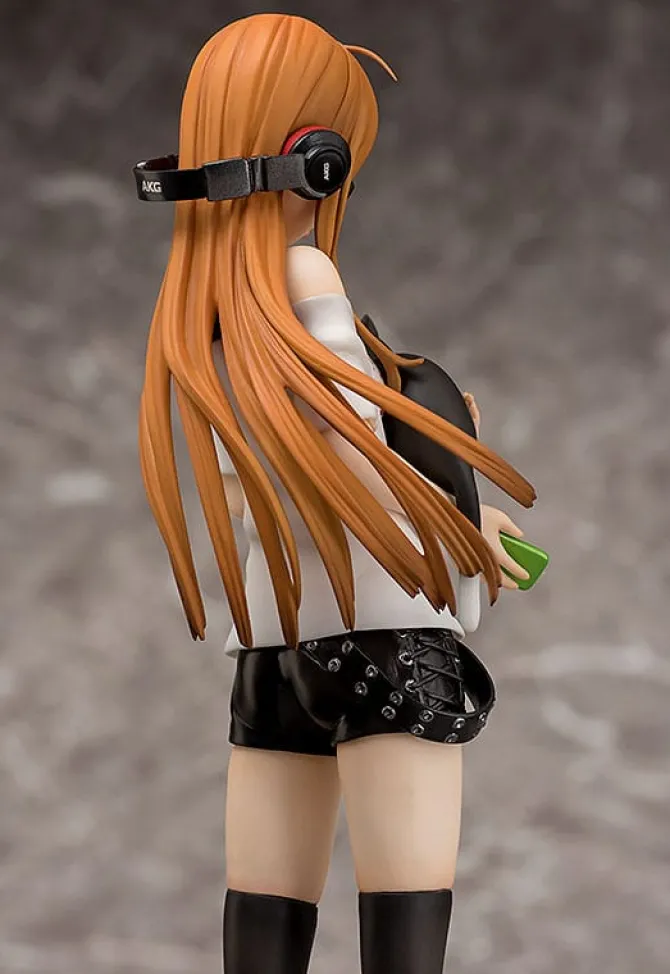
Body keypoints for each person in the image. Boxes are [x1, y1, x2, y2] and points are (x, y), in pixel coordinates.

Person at [136, 13, 536, 973]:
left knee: (264, 921)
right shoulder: (305, 276)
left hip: (276, 656)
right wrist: (458, 526)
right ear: (317, 162)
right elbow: (347, 451)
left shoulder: (206, 310)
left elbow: (260, 485)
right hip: (384, 640)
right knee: (404, 917)